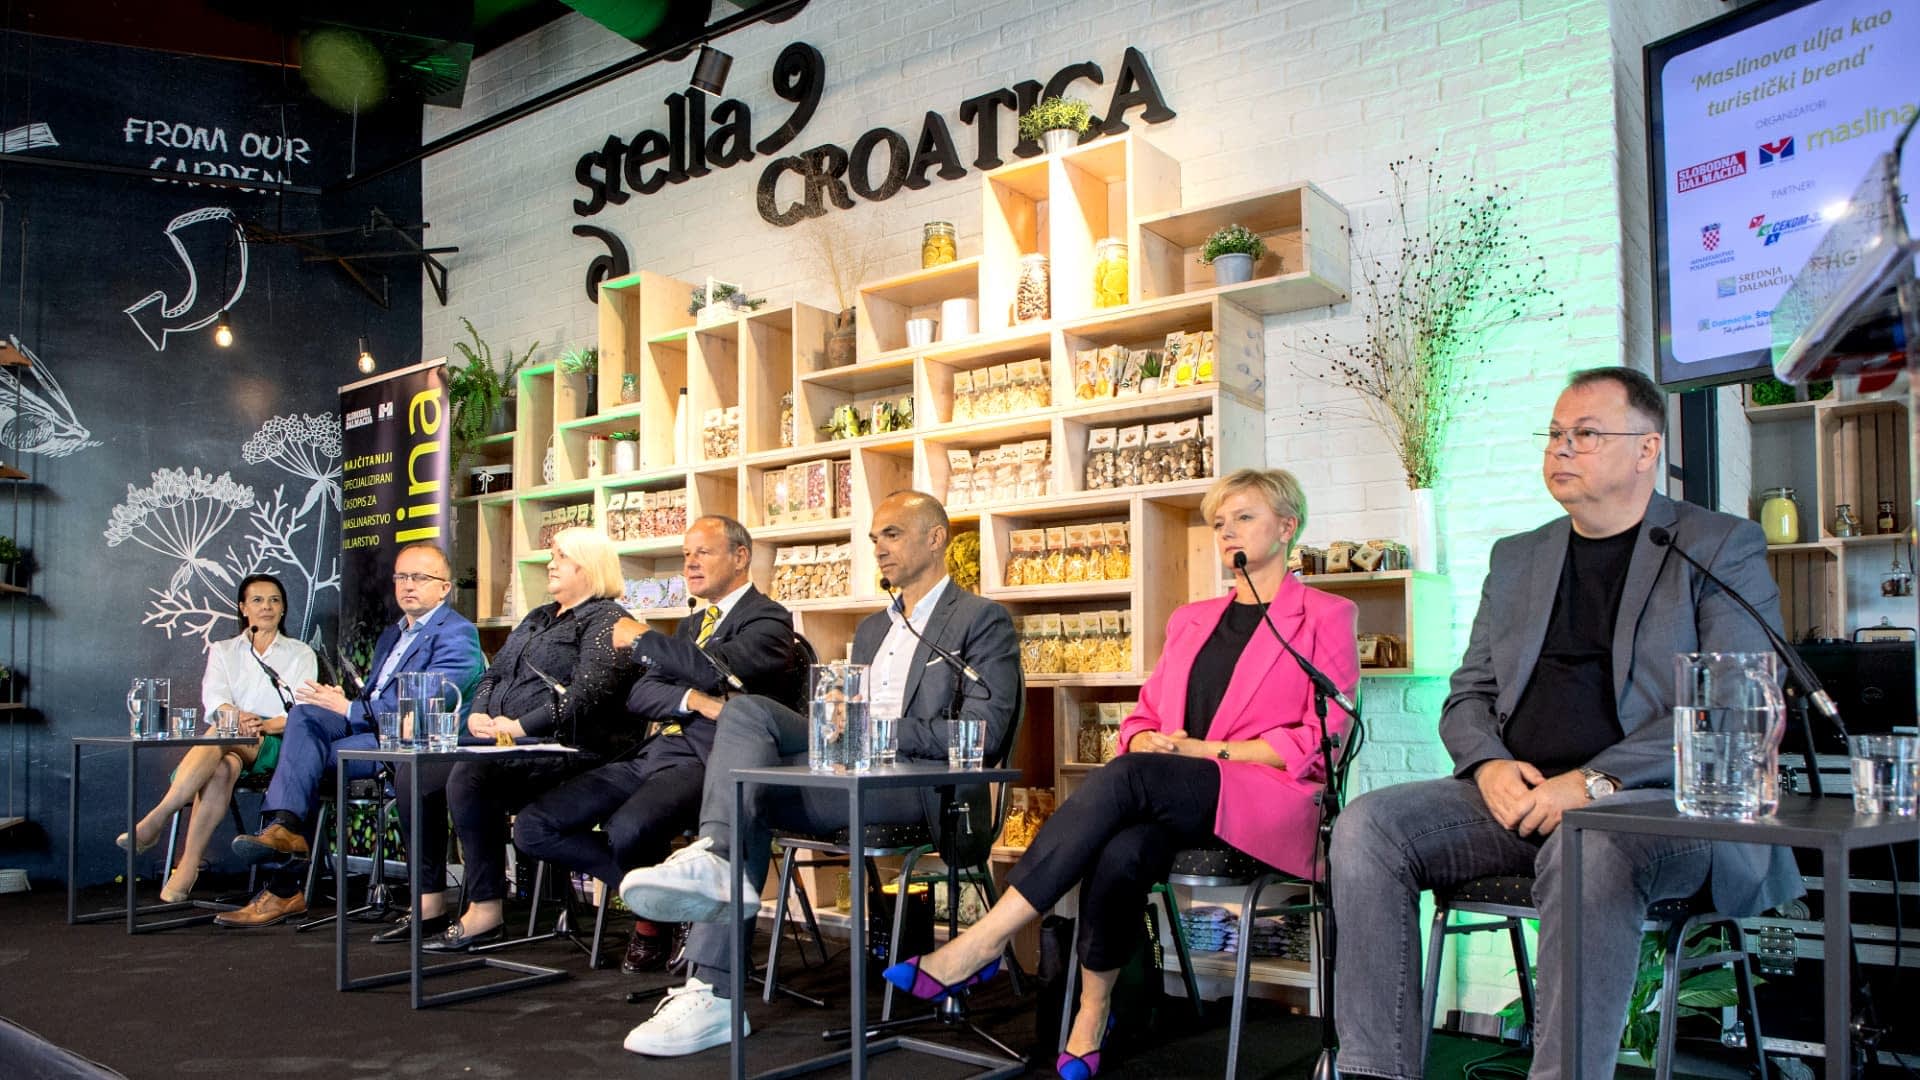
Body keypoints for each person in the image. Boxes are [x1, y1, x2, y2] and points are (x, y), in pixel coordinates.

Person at [1329, 366, 1803, 1080]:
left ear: (1646, 449)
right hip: (1522, 800)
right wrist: (1488, 764)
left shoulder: (1716, 545)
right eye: (1555, 433)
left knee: (1588, 843)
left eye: (1586, 433)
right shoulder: (1518, 557)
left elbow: (1733, 707)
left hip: (1659, 808)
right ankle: (1374, 1073)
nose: (1562, 448)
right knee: (1370, 825)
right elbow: (1469, 694)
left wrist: (1592, 781)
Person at [883, 469, 1358, 1080]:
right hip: (1178, 794)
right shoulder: (1192, 620)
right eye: (1219, 522)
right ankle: (1092, 1012)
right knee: (1121, 850)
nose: (1227, 531)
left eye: (1243, 517)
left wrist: (1208, 751)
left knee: (1131, 778)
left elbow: (1325, 736)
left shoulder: (1325, 614)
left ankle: (984, 940)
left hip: (1269, 799)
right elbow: (1141, 718)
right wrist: (1148, 739)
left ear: (1287, 526)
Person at [616, 490, 1019, 1058]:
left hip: (919, 788)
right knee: (747, 717)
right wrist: (837, 720)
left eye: (892, 534)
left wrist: (877, 732)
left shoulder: (981, 619)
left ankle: (712, 986)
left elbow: (983, 734)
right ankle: (716, 874)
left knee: (747, 790)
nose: (878, 548)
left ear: (936, 539)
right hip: (849, 767)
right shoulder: (875, 629)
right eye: (874, 538)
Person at [512, 515, 803, 973]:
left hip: (708, 762)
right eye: (686, 555)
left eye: (702, 552)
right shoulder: (689, 627)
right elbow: (642, 693)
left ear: (740, 556)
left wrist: (645, 639)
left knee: (628, 829)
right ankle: (667, 906)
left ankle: (655, 917)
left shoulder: (768, 619)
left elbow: (715, 669)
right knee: (533, 826)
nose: (690, 564)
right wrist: (697, 701)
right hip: (653, 754)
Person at [217, 542, 484, 929]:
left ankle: (283, 884)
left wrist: (347, 709)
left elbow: (424, 703)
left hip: (411, 740)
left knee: (304, 762)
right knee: (305, 714)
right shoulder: (392, 635)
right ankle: (284, 830)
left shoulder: (457, 634)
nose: (408, 585)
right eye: (402, 577)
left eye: (420, 577)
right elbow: (374, 700)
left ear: (445, 588)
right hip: (372, 727)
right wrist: (343, 703)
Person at [408, 525, 645, 952]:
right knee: (422, 773)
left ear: (589, 566)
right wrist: (479, 713)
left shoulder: (606, 619)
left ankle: (485, 909)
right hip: (512, 744)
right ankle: (428, 899)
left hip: (574, 752)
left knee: (471, 777)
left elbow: (585, 697)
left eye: (561, 557)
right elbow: (494, 673)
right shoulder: (537, 616)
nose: (551, 564)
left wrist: (518, 727)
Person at [119, 574, 317, 903]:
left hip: (278, 742)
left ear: (283, 608)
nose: (266, 607)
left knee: (220, 733)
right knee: (224, 766)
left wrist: (262, 725)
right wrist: (237, 719)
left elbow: (304, 711)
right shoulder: (224, 650)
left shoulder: (300, 653)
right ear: (243, 608)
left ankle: (159, 816)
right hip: (231, 737)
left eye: (274, 600)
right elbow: (215, 701)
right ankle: (188, 867)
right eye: (257, 600)